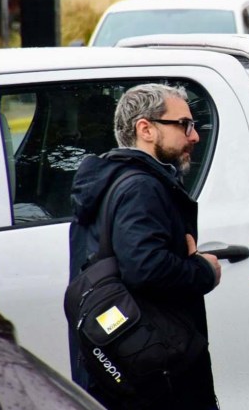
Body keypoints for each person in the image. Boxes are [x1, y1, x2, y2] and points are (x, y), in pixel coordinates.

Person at [68, 83, 221, 409]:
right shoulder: (141, 188)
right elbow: (146, 268)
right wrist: (203, 269)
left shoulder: (111, 182)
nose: (194, 136)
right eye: (184, 125)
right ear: (145, 129)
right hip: (156, 374)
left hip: (127, 366)